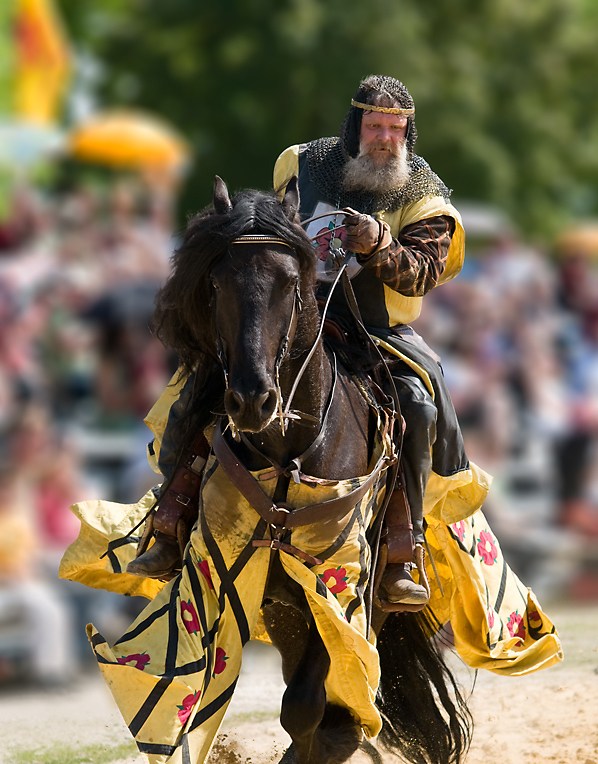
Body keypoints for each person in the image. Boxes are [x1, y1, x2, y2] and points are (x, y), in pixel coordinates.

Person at [129, 75, 487, 610]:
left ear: (409, 133)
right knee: (208, 379)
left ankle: (399, 551)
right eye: (374, 125)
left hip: (375, 331)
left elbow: (420, 275)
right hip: (292, 311)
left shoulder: (427, 199)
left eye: (396, 128)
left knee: (416, 401)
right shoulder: (300, 162)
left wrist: (380, 244)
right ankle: (170, 518)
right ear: (354, 125)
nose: (385, 138)